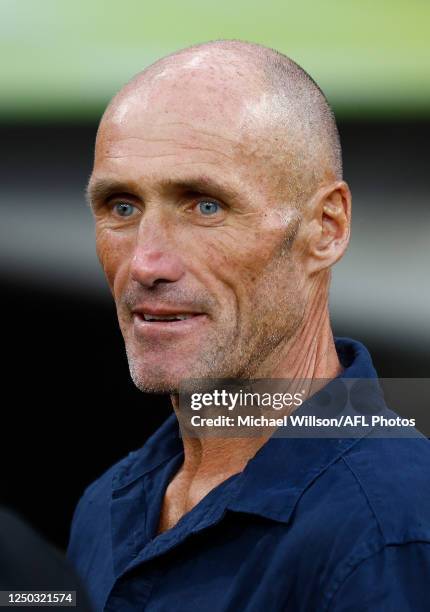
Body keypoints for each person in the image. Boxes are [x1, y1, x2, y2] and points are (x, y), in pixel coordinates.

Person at [67, 40, 430, 611]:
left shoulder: (394, 531)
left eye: (205, 205)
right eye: (122, 207)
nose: (145, 263)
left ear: (326, 228)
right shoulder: (105, 505)